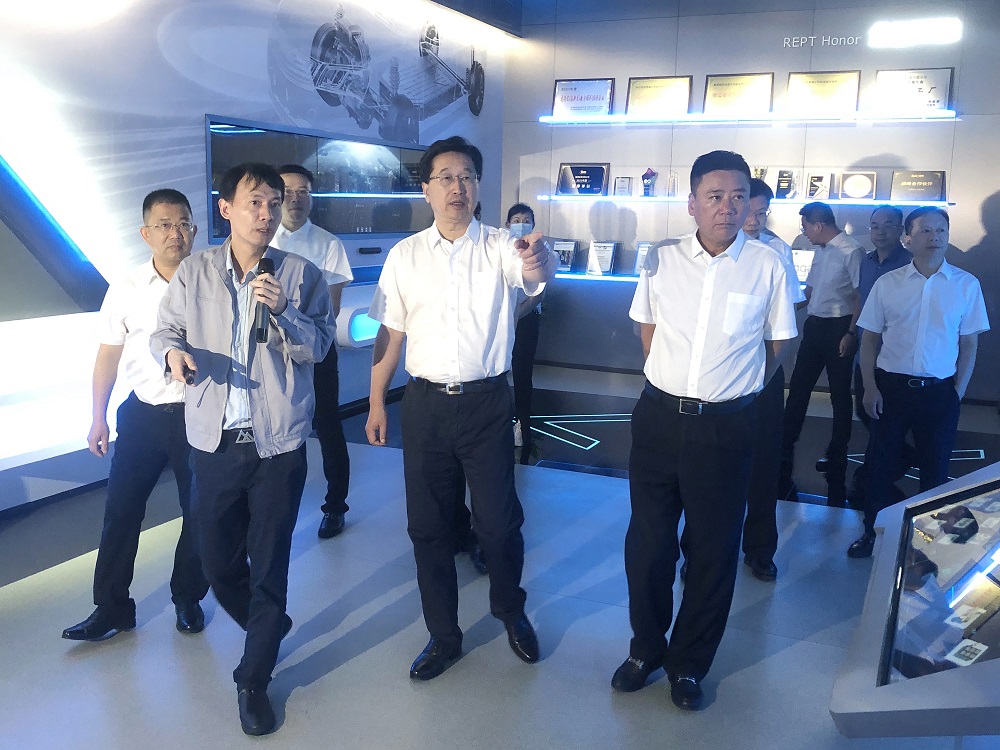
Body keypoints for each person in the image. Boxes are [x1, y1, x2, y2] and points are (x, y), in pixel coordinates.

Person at [150, 163, 334, 736]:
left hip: (278, 445)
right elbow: (165, 330)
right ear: (225, 208)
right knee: (214, 558)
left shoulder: (300, 274)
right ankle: (267, 625)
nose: (267, 213)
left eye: (274, 203)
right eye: (255, 201)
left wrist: (283, 310)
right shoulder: (196, 271)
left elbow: (320, 347)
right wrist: (172, 354)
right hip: (214, 440)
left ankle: (253, 679)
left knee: (270, 562)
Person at [365, 136, 557, 681]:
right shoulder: (405, 256)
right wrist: (376, 402)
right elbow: (390, 335)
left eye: (467, 176)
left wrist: (539, 261)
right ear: (426, 189)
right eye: (446, 177)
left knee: (497, 524)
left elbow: (535, 278)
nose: (458, 187)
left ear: (478, 187)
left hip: (487, 404)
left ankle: (510, 611)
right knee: (428, 529)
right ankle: (443, 635)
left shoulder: (501, 246)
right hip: (425, 405)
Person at [613, 151, 797, 710]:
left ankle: (689, 664)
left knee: (714, 551)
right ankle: (646, 648)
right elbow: (646, 329)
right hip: (659, 420)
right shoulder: (662, 258)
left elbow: (779, 343)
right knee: (648, 545)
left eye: (738, 196)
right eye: (714, 196)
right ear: (692, 202)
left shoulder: (768, 264)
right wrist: (673, 382)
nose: (727, 207)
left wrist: (737, 391)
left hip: (727, 427)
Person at [62, 189, 209, 642]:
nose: (175, 233)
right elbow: (108, 354)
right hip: (143, 414)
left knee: (199, 511)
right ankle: (111, 608)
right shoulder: (126, 287)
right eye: (164, 225)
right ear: (146, 233)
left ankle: (187, 597)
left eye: (182, 223)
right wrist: (98, 417)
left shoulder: (213, 282)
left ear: (194, 230)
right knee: (121, 511)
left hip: (198, 414)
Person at [848, 207, 989, 558]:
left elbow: (969, 344)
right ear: (908, 238)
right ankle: (872, 532)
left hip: (939, 391)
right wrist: (869, 387)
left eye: (941, 230)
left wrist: (957, 392)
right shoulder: (888, 283)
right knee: (880, 465)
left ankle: (926, 543)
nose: (934, 237)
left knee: (935, 470)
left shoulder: (966, 285)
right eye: (925, 230)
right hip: (891, 388)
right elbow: (869, 340)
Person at [271, 164, 354, 539]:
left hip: (316, 349)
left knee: (327, 425)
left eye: (303, 191)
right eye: (288, 192)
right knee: (280, 425)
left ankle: (335, 506)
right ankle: (277, 507)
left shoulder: (327, 244)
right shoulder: (262, 240)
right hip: (270, 353)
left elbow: (331, 310)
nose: (296, 199)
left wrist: (289, 318)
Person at [739, 178, 805, 581]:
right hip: (720, 370)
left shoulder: (778, 250)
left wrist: (767, 371)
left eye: (762, 212)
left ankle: (760, 549)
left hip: (765, 367)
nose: (754, 219)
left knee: (764, 462)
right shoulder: (710, 249)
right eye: (749, 211)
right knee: (712, 466)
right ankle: (699, 548)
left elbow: (789, 316)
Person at [780, 202, 864, 507]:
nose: (804, 232)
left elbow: (860, 295)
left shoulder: (852, 251)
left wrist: (851, 333)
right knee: (799, 387)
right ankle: (786, 442)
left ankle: (838, 449)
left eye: (805, 226)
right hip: (815, 325)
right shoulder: (821, 250)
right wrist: (784, 310)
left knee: (840, 394)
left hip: (839, 327)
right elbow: (810, 291)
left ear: (818, 225)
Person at [849, 206, 914, 503]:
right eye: (875, 225)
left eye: (888, 225)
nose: (880, 231)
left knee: (884, 416)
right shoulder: (866, 261)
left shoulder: (910, 264)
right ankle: (897, 455)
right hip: (865, 350)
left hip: (893, 355)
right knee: (865, 410)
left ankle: (880, 469)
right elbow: (861, 299)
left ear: (900, 229)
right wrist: (851, 332)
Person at [506, 202, 544, 463]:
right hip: (502, 320)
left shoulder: (538, 249)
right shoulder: (501, 249)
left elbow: (539, 292)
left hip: (526, 319)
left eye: (526, 220)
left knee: (521, 372)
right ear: (508, 224)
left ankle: (522, 425)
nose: (521, 224)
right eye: (516, 220)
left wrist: (517, 313)